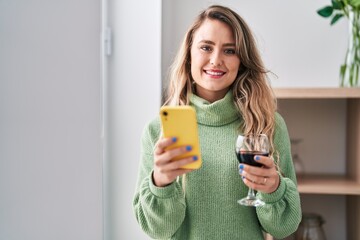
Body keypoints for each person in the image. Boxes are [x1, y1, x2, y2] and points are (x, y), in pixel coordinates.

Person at [133, 4, 301, 239]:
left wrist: (273, 189)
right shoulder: (157, 131)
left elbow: (283, 227)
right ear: (189, 54)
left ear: (242, 60)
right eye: (206, 47)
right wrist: (160, 182)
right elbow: (158, 230)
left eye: (229, 51)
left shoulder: (267, 124)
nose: (215, 60)